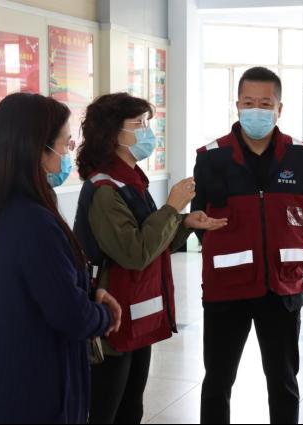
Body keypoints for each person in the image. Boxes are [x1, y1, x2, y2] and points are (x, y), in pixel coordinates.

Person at [73, 93, 227, 424]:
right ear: (113, 133)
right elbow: (135, 252)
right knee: (106, 412)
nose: (148, 131)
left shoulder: (132, 180)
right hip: (112, 320)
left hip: (136, 314)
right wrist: (171, 208)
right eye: (139, 124)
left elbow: (153, 243)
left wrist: (184, 223)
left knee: (131, 409)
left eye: (147, 122)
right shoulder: (105, 189)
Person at [0, 93, 122, 424]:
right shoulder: (33, 221)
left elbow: (45, 287)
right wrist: (104, 315)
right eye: (65, 144)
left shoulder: (7, 208)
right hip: (38, 391)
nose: (67, 154)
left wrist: (88, 293)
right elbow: (71, 315)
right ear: (38, 149)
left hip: (12, 381)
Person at [192, 67, 303, 425]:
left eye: (265, 104)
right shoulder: (211, 156)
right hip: (226, 290)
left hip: (282, 288)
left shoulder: (300, 155)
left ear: (280, 109)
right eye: (248, 103)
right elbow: (199, 221)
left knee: (284, 382)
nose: (256, 110)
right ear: (237, 105)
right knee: (217, 382)